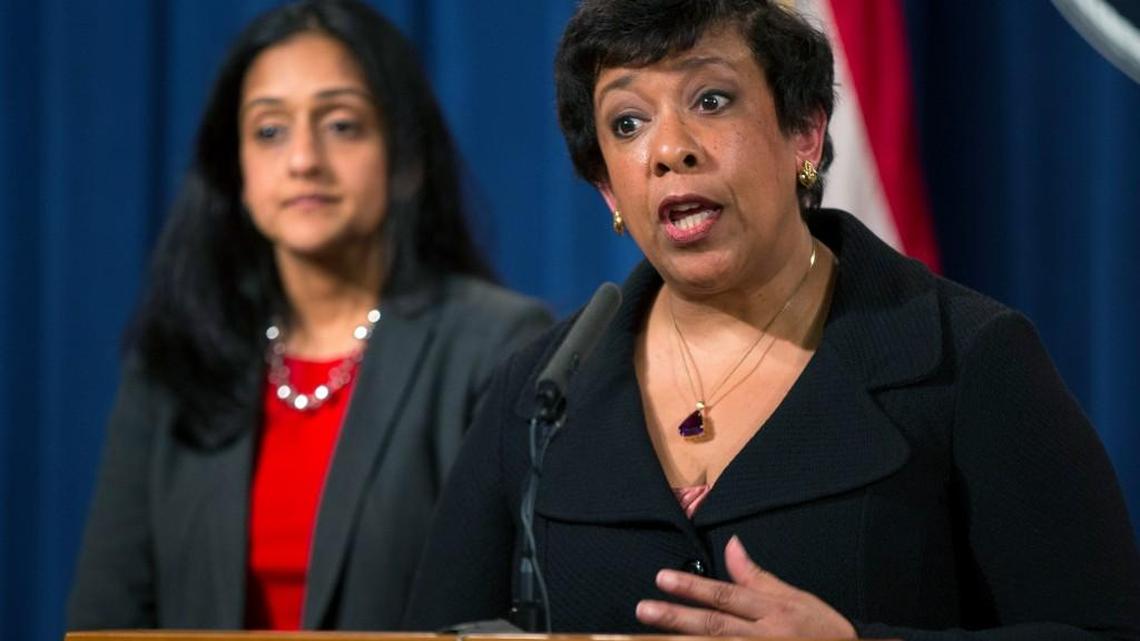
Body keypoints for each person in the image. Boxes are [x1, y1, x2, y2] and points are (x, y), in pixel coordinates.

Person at [404, 0, 1140, 638]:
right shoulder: (539, 396)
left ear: (805, 137)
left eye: (712, 101)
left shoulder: (966, 357)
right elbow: (434, 637)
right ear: (608, 191)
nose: (669, 150)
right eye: (627, 122)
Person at [67, 0, 551, 631]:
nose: (302, 159)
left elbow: (527, 611)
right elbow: (109, 615)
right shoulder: (178, 356)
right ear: (235, 169)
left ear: (405, 159)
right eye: (269, 131)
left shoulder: (500, 347)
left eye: (342, 125)